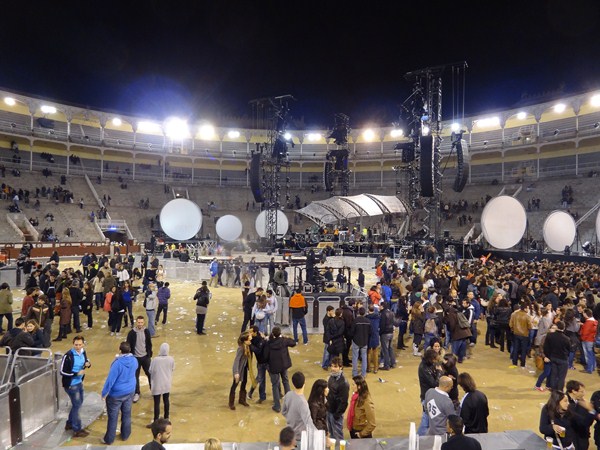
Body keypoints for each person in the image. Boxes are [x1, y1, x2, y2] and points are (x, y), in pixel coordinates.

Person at [101, 341, 138, 445]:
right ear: (129, 350)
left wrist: (104, 393)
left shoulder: (117, 364)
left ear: (120, 350)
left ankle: (109, 439)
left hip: (116, 395)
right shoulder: (134, 360)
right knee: (127, 414)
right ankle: (125, 435)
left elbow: (110, 380)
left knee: (113, 418)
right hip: (130, 391)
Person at [59, 335, 91, 438]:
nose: (78, 346)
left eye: (80, 345)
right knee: (77, 406)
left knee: (78, 403)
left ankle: (69, 423)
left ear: (83, 344)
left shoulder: (83, 352)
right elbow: (62, 371)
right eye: (76, 345)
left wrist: (88, 364)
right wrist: (75, 374)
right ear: (73, 344)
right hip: (71, 385)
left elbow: (86, 361)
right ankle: (77, 429)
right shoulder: (68, 356)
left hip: (79, 382)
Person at [265, 326, 296, 413]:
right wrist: (285, 337)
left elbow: (265, 355)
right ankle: (289, 403)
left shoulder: (269, 343)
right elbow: (293, 343)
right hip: (283, 365)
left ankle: (277, 406)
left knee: (275, 385)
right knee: (285, 381)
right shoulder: (284, 341)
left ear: (273, 334)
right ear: (280, 333)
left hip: (274, 367)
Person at [282, 371, 317, 441]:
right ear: (304, 383)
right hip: (299, 437)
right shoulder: (303, 403)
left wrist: (291, 418)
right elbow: (308, 422)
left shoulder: (288, 395)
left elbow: (283, 411)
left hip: (290, 433)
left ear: (293, 383)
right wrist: (319, 434)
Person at [147, 343, 175, 428]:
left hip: (157, 383)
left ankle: (156, 421)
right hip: (167, 383)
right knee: (166, 400)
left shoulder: (155, 360)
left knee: (157, 403)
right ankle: (167, 418)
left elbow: (150, 370)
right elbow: (173, 369)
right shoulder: (171, 359)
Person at [127, 316, 153, 403]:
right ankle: (137, 393)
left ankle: (153, 389)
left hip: (145, 357)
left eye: (141, 322)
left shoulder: (146, 331)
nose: (140, 324)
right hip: (135, 358)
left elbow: (149, 343)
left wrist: (149, 354)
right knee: (135, 376)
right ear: (136, 322)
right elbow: (128, 345)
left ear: (144, 323)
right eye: (139, 322)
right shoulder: (131, 333)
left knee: (150, 374)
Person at [565, 380, 596, 450]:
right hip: (571, 440)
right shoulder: (565, 403)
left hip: (582, 438)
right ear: (574, 391)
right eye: (581, 391)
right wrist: (591, 411)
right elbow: (583, 422)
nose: (584, 394)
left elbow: (588, 423)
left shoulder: (582, 402)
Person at [229, 330, 255, 410]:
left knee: (244, 383)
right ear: (245, 340)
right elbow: (236, 361)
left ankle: (242, 399)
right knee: (234, 385)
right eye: (249, 340)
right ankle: (231, 403)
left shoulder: (247, 346)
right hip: (239, 370)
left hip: (245, 369)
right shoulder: (241, 349)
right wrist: (236, 372)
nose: (251, 341)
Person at [417, 348, 441, 435]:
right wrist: (438, 372)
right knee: (426, 421)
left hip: (430, 395)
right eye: (434, 359)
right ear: (430, 358)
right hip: (427, 397)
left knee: (428, 420)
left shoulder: (429, 365)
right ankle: (419, 438)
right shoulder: (424, 368)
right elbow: (434, 383)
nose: (435, 361)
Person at [543, 320, 571, 392]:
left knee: (553, 374)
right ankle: (559, 390)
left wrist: (547, 356)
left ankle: (553, 389)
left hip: (553, 358)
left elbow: (546, 347)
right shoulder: (566, 339)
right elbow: (569, 349)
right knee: (561, 376)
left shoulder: (550, 335)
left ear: (556, 327)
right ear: (564, 328)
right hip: (563, 359)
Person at [326, 356, 349, 441]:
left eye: (335, 366)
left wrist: (337, 415)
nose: (333, 368)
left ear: (340, 367)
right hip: (329, 411)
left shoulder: (343, 383)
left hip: (336, 414)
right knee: (331, 435)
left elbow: (344, 402)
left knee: (338, 437)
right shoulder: (331, 377)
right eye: (332, 366)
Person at [509, 300, 532, 368]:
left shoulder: (514, 314)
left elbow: (510, 324)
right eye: (527, 308)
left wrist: (513, 329)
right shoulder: (527, 316)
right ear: (525, 308)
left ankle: (514, 362)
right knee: (523, 350)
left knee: (515, 348)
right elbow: (530, 326)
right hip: (524, 335)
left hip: (516, 334)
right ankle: (522, 364)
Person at [350, 306, 371, 378]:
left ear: (358, 313)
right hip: (364, 341)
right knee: (364, 358)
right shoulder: (368, 321)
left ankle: (355, 373)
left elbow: (352, 331)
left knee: (355, 358)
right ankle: (363, 374)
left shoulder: (356, 321)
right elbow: (370, 332)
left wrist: (352, 338)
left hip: (356, 341)